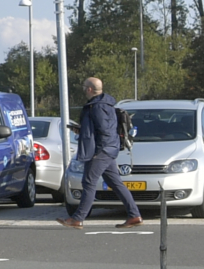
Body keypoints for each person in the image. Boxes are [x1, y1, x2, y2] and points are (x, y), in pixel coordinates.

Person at [59, 76, 143, 230]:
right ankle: (134, 215)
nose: (83, 89)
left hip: (102, 150)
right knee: (115, 183)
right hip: (108, 149)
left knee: (88, 182)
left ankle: (77, 219)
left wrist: (99, 151)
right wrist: (82, 129)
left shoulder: (97, 107)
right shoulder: (105, 104)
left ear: (89, 89)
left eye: (84, 86)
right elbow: (102, 128)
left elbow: (105, 130)